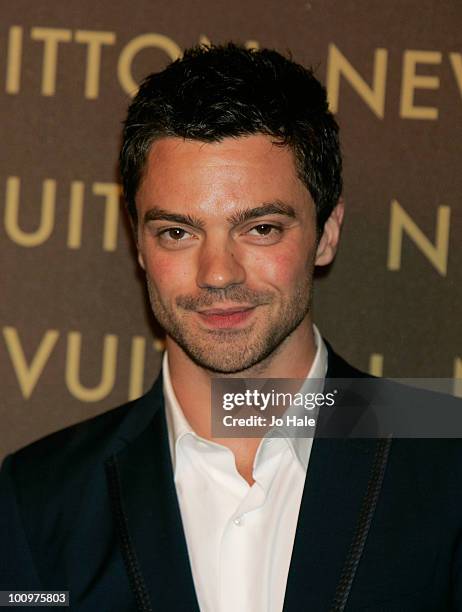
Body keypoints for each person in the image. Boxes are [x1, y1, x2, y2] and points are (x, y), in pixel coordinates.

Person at [1, 42, 462, 612]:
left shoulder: (448, 451)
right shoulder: (38, 498)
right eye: (177, 232)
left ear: (327, 232)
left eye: (261, 228)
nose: (218, 273)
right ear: (138, 243)